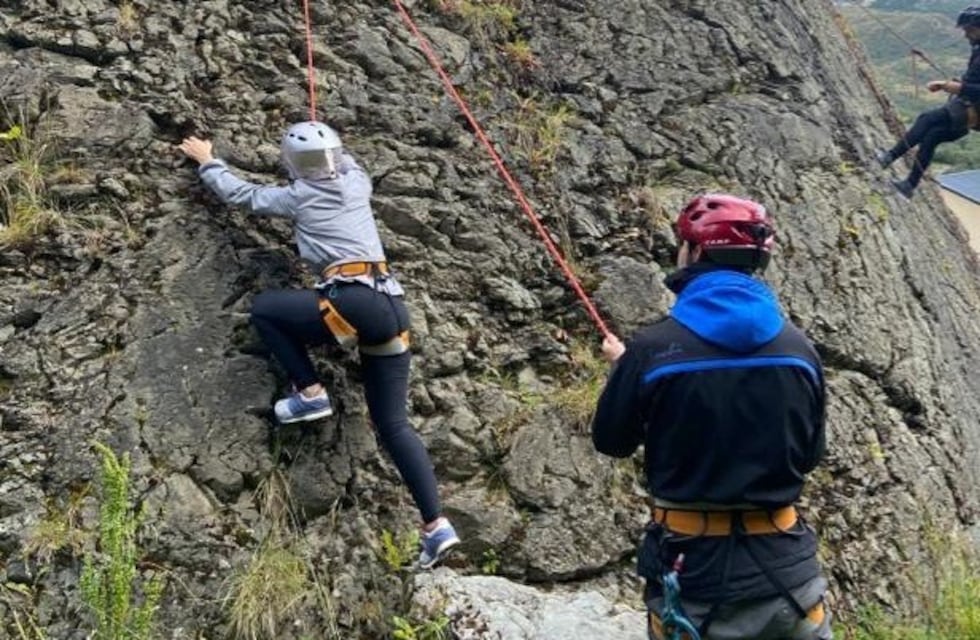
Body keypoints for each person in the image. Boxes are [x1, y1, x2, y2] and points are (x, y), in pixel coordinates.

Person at [177, 121, 459, 568]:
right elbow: (343, 163)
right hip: (391, 307)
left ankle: (309, 391)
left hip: (352, 299)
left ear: (292, 164)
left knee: (267, 309)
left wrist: (208, 161)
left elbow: (244, 195)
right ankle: (435, 524)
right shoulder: (357, 182)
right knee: (394, 426)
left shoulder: (300, 195)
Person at [591, 194, 831, 640]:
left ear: (695, 252)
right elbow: (810, 455)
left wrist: (629, 372)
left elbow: (612, 440)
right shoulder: (800, 351)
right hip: (790, 580)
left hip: (695, 579)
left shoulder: (653, 350)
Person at [875, 5, 980, 199]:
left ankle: (889, 157)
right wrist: (960, 84)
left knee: (926, 119)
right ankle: (909, 186)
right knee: (932, 136)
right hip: (972, 111)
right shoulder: (977, 49)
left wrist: (950, 86)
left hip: (973, 109)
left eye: (969, 30)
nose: (966, 34)